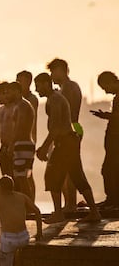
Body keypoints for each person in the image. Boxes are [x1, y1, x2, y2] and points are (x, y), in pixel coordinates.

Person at [33, 73, 101, 222]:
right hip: (67, 142)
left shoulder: (55, 100)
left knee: (51, 176)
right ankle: (94, 212)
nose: (36, 90)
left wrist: (44, 147)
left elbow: (56, 127)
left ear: (46, 83)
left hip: (66, 142)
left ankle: (58, 213)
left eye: (38, 86)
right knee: (77, 176)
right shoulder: (53, 99)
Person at [48, 58, 83, 212]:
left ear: (61, 70)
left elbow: (65, 114)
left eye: (53, 72)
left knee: (69, 168)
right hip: (70, 129)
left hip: (71, 128)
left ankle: (71, 204)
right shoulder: (64, 88)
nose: (51, 76)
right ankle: (69, 203)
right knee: (66, 168)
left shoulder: (69, 87)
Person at [91, 71, 119, 209]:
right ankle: (113, 199)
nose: (105, 91)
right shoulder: (116, 97)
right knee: (111, 169)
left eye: (105, 87)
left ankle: (113, 200)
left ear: (111, 82)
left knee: (108, 170)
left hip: (116, 139)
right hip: (113, 139)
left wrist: (106, 116)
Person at [16, 70, 39, 201]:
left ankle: (31, 202)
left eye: (21, 81)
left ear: (29, 82)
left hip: (29, 139)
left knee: (28, 174)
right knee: (21, 174)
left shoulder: (31, 99)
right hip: (20, 141)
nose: (19, 83)